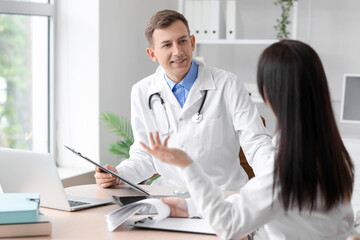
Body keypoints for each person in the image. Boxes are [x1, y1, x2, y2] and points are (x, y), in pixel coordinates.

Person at [140, 40, 355, 240]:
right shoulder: (331, 152)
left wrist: (186, 164)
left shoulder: (288, 167)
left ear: (272, 93)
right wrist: (192, 207)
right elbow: (266, 201)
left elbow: (229, 224)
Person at [95, 9, 272, 191]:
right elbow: (146, 154)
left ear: (192, 42)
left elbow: (256, 142)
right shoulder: (142, 91)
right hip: (170, 195)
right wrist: (118, 175)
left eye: (182, 41)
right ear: (152, 54)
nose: (178, 51)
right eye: (167, 45)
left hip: (223, 194)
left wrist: (274, 180)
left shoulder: (228, 84)